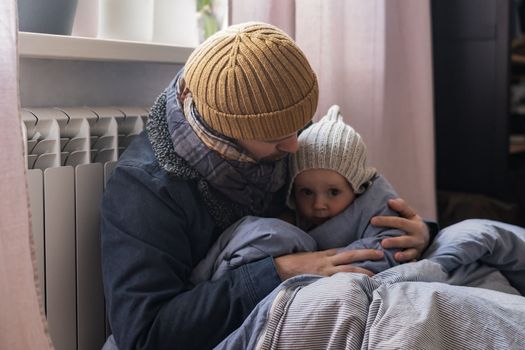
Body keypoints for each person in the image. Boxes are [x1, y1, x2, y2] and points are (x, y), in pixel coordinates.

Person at [100, 22, 435, 350]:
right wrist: (278, 271)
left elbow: (354, 201)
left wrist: (417, 234)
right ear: (222, 132)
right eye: (274, 138)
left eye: (301, 124)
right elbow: (146, 334)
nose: (294, 145)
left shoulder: (283, 133)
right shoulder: (146, 189)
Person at [190, 104, 406, 284]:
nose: (319, 204)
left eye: (333, 192)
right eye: (306, 192)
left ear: (357, 186)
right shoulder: (288, 219)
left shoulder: (373, 205)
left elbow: (391, 245)